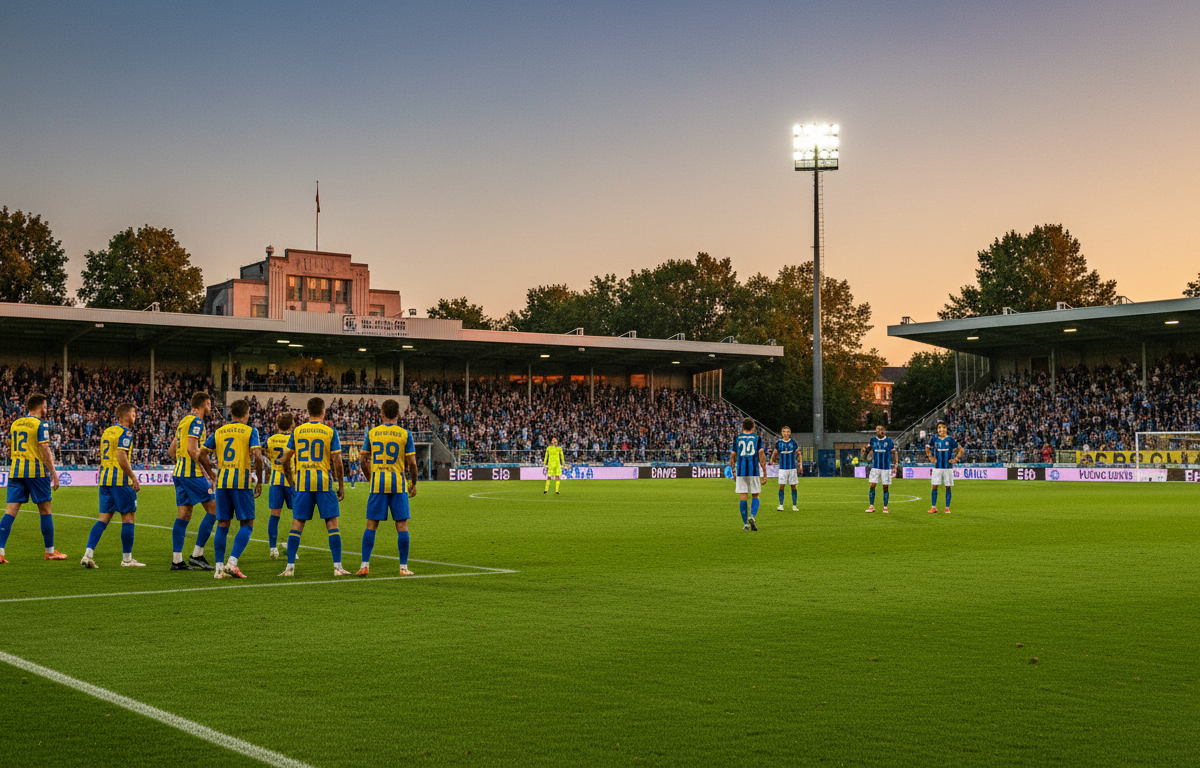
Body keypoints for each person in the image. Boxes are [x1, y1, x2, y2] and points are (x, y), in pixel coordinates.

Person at [280, 397, 348, 577]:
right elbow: (338, 462)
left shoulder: (298, 431)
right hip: (323, 481)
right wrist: (341, 484)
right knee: (332, 523)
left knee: (297, 524)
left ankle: (289, 567)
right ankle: (338, 567)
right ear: (323, 411)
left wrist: (290, 478)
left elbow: (285, 459)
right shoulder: (330, 431)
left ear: (308, 411)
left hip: (303, 482)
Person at [0, 392, 65, 564]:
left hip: (16, 471)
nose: (47, 408)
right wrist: (53, 473)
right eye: (45, 405)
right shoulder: (40, 425)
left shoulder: (15, 423)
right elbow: (44, 448)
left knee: (10, 511)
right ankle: (50, 552)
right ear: (41, 405)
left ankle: (0, 551)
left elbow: (10, 444)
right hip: (35, 471)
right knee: (45, 509)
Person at [356, 398, 418, 577]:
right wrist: (413, 483)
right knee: (402, 525)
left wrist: (370, 478)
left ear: (381, 414)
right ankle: (403, 567)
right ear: (398, 415)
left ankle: (364, 564)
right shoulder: (405, 434)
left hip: (378, 483)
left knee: (371, 525)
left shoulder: (373, 433)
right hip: (398, 484)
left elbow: (363, 460)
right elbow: (412, 463)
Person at [203, 399, 263, 579]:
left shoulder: (219, 431)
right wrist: (259, 480)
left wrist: (212, 474)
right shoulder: (250, 431)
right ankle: (232, 563)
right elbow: (258, 457)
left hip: (222, 483)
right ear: (247, 413)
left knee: (222, 524)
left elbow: (201, 454)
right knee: (247, 523)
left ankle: (219, 569)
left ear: (231, 413)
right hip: (241, 482)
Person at [81, 403, 144, 568]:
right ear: (124, 416)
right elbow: (121, 455)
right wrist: (133, 477)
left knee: (103, 519)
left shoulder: (108, 431)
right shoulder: (126, 432)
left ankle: (88, 554)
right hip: (120, 480)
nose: (135, 416)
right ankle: (127, 559)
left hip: (105, 480)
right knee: (128, 517)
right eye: (133, 413)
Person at [168, 392, 218, 571]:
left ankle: (177, 561)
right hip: (192, 474)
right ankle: (197, 554)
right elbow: (191, 449)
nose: (210, 408)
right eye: (209, 404)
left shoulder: (183, 422)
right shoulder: (197, 422)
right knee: (214, 509)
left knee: (184, 516)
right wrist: (210, 471)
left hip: (180, 474)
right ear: (205, 403)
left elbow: (171, 451)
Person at [264, 412, 295, 559]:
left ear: (277, 425)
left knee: (274, 516)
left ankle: (272, 548)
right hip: (291, 481)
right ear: (292, 424)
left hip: (276, 481)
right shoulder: (294, 439)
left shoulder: (270, 440)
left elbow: (266, 454)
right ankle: (292, 549)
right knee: (298, 517)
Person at [729, 418, 765, 531]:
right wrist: (765, 472)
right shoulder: (757, 439)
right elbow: (761, 454)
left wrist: (733, 471)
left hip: (741, 470)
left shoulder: (737, 439)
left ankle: (745, 524)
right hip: (754, 470)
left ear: (742, 427)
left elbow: (732, 456)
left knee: (743, 495)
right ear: (753, 427)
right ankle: (752, 516)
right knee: (756, 494)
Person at [926, 422, 964, 514]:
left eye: (943, 427)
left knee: (948, 487)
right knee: (934, 486)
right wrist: (930, 457)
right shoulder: (934, 439)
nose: (941, 430)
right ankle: (933, 507)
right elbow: (927, 447)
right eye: (939, 428)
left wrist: (956, 459)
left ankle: (947, 508)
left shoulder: (950, 439)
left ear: (946, 429)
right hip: (937, 467)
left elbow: (961, 449)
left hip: (948, 468)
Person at [863, 424, 896, 513]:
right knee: (872, 486)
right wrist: (865, 453)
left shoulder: (889, 441)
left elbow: (893, 453)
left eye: (881, 429)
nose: (880, 431)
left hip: (886, 468)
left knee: (885, 487)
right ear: (876, 431)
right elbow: (867, 450)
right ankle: (871, 506)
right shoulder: (873, 440)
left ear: (884, 431)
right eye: (878, 429)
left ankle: (885, 507)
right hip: (875, 468)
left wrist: (895, 465)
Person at [771, 426, 799, 511]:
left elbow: (798, 453)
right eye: (784, 432)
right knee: (781, 486)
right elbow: (775, 452)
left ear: (790, 433)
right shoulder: (779, 443)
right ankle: (781, 505)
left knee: (793, 486)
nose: (786, 433)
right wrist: (772, 460)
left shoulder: (793, 442)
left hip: (792, 468)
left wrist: (797, 461)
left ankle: (794, 505)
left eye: (787, 432)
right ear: (782, 433)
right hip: (782, 468)